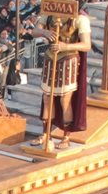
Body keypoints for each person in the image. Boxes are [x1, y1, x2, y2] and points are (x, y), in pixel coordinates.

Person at [28, 9, 91, 150]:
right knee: (47, 98)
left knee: (65, 100)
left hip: (68, 59)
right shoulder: (49, 15)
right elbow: (34, 32)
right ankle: (45, 134)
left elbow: (86, 45)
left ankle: (66, 136)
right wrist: (45, 32)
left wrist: (66, 46)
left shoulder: (79, 18)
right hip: (50, 58)